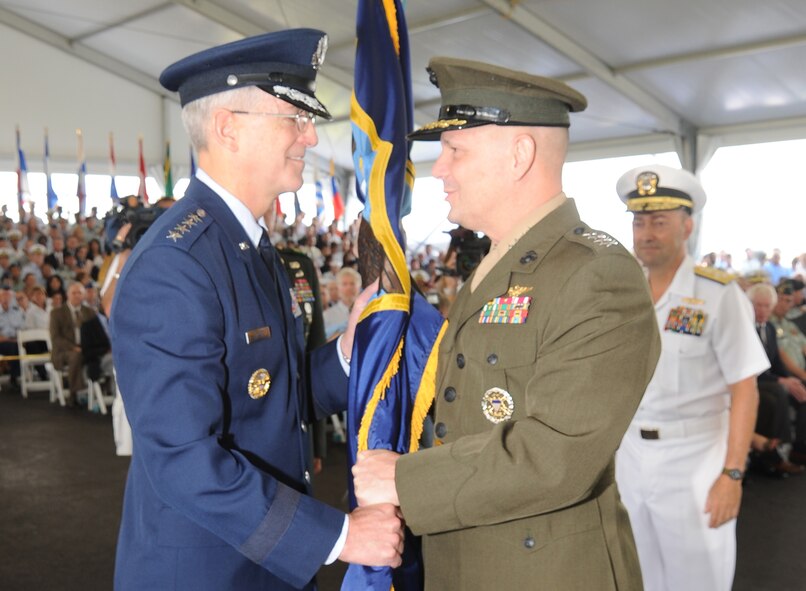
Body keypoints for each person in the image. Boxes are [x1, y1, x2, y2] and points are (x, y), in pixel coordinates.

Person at [351, 57, 660, 590]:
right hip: (464, 557)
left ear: (520, 156)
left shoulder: (597, 272)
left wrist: (402, 480)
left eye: (454, 150)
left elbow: (557, 454)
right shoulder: (500, 264)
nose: (439, 169)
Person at [110, 30, 403, 591]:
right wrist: (339, 537)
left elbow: (269, 395)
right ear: (228, 128)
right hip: (205, 572)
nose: (311, 137)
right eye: (294, 118)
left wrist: (345, 352)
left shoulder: (250, 246)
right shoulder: (177, 264)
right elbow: (183, 459)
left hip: (262, 561)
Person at [613, 164, 770, 591]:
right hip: (628, 459)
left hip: (696, 459)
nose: (646, 232)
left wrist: (732, 475)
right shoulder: (621, 295)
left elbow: (744, 387)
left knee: (698, 579)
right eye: (639, 221)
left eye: (659, 222)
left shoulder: (719, 296)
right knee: (636, 575)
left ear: (687, 227)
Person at [50, 281, 96, 405]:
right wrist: (73, 347)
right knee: (76, 356)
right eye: (74, 293)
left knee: (102, 356)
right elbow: (56, 338)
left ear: (84, 295)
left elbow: (95, 334)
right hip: (63, 351)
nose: (76, 295)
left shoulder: (90, 312)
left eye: (79, 293)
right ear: (67, 295)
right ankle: (74, 393)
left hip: (85, 349)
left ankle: (103, 391)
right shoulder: (56, 313)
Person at [323, 266, 361, 340]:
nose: (349, 288)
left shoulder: (368, 311)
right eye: (344, 284)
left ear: (359, 286)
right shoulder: (327, 315)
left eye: (352, 283)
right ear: (338, 287)